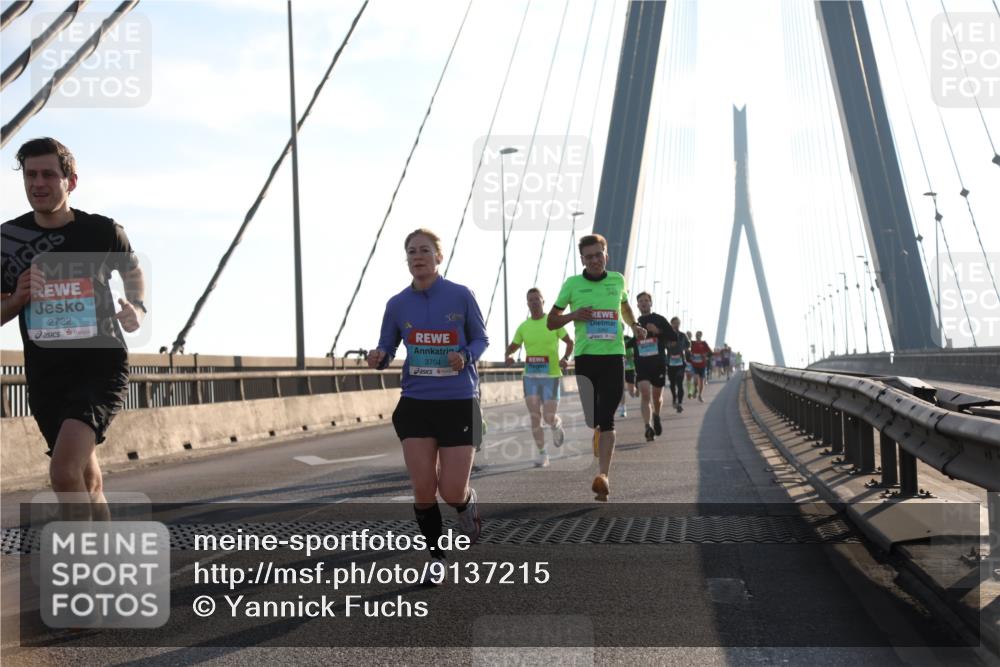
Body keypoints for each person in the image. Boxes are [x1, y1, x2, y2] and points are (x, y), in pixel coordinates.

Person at [1, 138, 145, 522]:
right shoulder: (8, 241)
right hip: (47, 377)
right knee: (86, 478)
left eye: (49, 174)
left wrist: (137, 308)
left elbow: (132, 271)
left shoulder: (102, 232)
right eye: (31, 175)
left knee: (63, 473)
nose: (38, 183)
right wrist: (15, 301)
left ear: (71, 181)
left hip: (100, 368)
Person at [368, 228, 488, 584]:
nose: (417, 256)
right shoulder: (397, 304)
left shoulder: (461, 295)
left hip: (458, 403)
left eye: (423, 250)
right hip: (417, 404)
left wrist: (465, 356)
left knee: (451, 490)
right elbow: (387, 348)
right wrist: (379, 356)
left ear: (439, 256)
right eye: (411, 252)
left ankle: (467, 505)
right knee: (423, 488)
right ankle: (437, 556)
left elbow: (481, 338)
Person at [547, 233, 645, 502]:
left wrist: (634, 325)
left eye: (598, 255)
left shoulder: (617, 280)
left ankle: (603, 477)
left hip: (614, 357)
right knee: (594, 419)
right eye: (588, 257)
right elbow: (551, 322)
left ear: (606, 255)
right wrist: (573, 315)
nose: (594, 260)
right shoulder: (572, 284)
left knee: (607, 416)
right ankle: (598, 433)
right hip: (586, 359)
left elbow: (624, 307)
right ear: (582, 259)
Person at [505, 287, 573, 468]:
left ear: (543, 301)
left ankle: (556, 423)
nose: (534, 302)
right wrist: (508, 355)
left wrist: (565, 358)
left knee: (548, 416)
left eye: (537, 299)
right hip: (530, 377)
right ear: (527, 304)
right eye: (531, 300)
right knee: (535, 415)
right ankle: (543, 454)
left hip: (551, 375)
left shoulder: (553, 322)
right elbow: (513, 346)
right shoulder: (523, 327)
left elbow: (569, 342)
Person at [632, 292, 677, 442]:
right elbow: (630, 341)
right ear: (637, 305)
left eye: (646, 300)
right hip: (642, 363)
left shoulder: (659, 319)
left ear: (651, 303)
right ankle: (647, 426)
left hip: (657, 363)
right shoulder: (633, 322)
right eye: (641, 301)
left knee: (657, 397)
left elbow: (674, 337)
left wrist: (658, 331)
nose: (644, 303)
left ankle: (656, 415)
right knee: (645, 394)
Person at [665, 317, 689, 413]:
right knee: (672, 384)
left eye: (678, 323)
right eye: (674, 323)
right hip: (671, 363)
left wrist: (684, 347)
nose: (676, 325)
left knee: (679, 383)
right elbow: (664, 344)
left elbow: (688, 344)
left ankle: (680, 403)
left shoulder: (683, 335)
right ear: (671, 324)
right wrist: (670, 345)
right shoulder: (667, 335)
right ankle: (674, 398)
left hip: (681, 362)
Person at [689, 331, 712, 402]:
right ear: (695, 336)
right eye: (696, 335)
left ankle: (700, 395)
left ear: (701, 335)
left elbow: (710, 352)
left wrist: (706, 356)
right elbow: (687, 348)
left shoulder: (704, 343)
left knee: (701, 381)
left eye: (699, 335)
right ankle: (695, 389)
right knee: (695, 380)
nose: (697, 336)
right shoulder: (692, 343)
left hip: (702, 365)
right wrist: (691, 355)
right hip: (694, 365)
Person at [619, 334, 637, 419]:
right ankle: (623, 409)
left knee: (631, 392)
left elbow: (635, 353)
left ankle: (637, 389)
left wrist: (628, 357)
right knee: (621, 389)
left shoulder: (629, 340)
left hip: (630, 367)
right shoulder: (614, 339)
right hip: (619, 368)